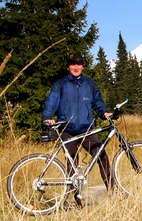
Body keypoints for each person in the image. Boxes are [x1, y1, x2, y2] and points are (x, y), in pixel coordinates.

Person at [42, 53, 113, 205]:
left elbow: (98, 102)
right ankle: (76, 198)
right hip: (67, 129)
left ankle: (113, 191)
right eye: (73, 64)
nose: (76, 67)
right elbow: (51, 102)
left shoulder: (90, 84)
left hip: (87, 130)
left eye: (79, 64)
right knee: (72, 163)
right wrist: (47, 116)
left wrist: (104, 113)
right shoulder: (60, 84)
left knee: (102, 156)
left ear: (83, 66)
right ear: (68, 67)